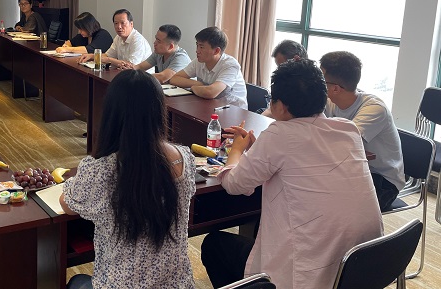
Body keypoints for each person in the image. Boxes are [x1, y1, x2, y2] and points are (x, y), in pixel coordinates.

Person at [200, 59, 383, 289]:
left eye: (271, 100)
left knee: (215, 245)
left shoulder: (279, 134)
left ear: (282, 106)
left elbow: (235, 184)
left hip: (312, 274)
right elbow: (301, 162)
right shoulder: (348, 129)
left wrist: (236, 151)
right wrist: (258, 151)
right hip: (363, 266)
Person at [60, 70, 196, 289]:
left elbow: (66, 204)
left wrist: (73, 181)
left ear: (112, 114)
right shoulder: (185, 158)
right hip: (178, 285)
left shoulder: (100, 170)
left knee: (76, 282)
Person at [319, 51, 405, 211]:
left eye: (321, 80)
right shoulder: (331, 100)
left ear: (335, 88)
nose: (317, 84)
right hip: (352, 169)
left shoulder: (374, 108)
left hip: (382, 180)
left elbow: (345, 142)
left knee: (330, 206)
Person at [169, 26, 247, 106]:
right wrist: (198, 84)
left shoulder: (230, 65)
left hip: (233, 110)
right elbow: (175, 79)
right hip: (209, 105)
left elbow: (210, 92)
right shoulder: (199, 61)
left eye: (201, 47)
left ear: (216, 51)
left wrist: (193, 87)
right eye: (197, 45)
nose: (197, 51)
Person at [78, 9, 152, 68]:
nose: (119, 27)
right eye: (116, 23)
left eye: (123, 23)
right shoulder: (118, 38)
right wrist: (91, 56)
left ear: (131, 24)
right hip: (125, 74)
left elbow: (131, 66)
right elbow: (107, 55)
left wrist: (109, 60)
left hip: (142, 78)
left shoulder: (137, 40)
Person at [121, 24, 190, 83]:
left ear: (170, 46)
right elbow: (140, 67)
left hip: (186, 93)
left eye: (159, 41)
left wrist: (137, 76)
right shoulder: (158, 53)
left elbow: (162, 77)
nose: (154, 43)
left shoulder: (181, 58)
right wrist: (128, 69)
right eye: (156, 39)